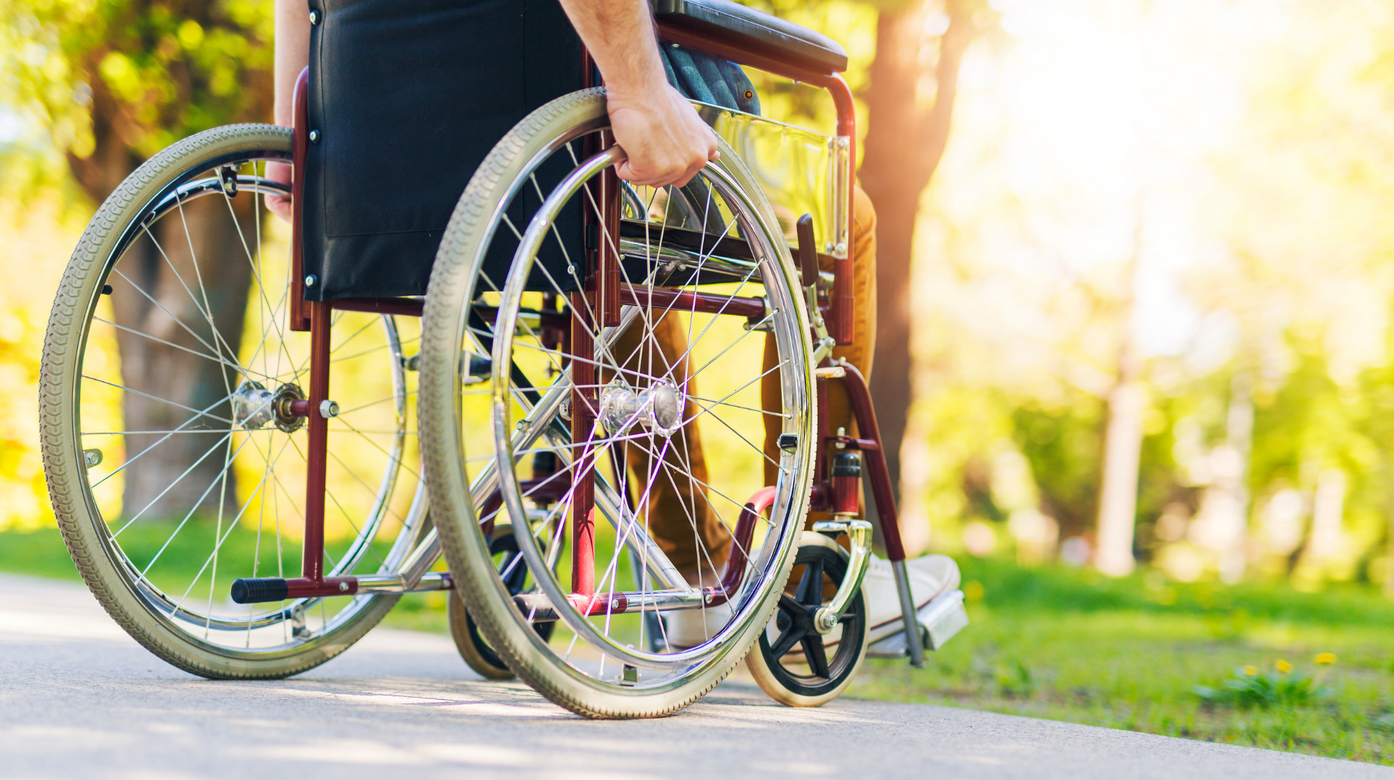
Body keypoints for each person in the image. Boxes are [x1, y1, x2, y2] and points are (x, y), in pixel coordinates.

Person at [267, 0, 950, 646]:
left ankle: (694, 565)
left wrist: (295, 138)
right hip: (564, 126)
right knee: (838, 220)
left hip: (384, 161)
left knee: (625, 253)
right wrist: (639, 91)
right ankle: (813, 558)